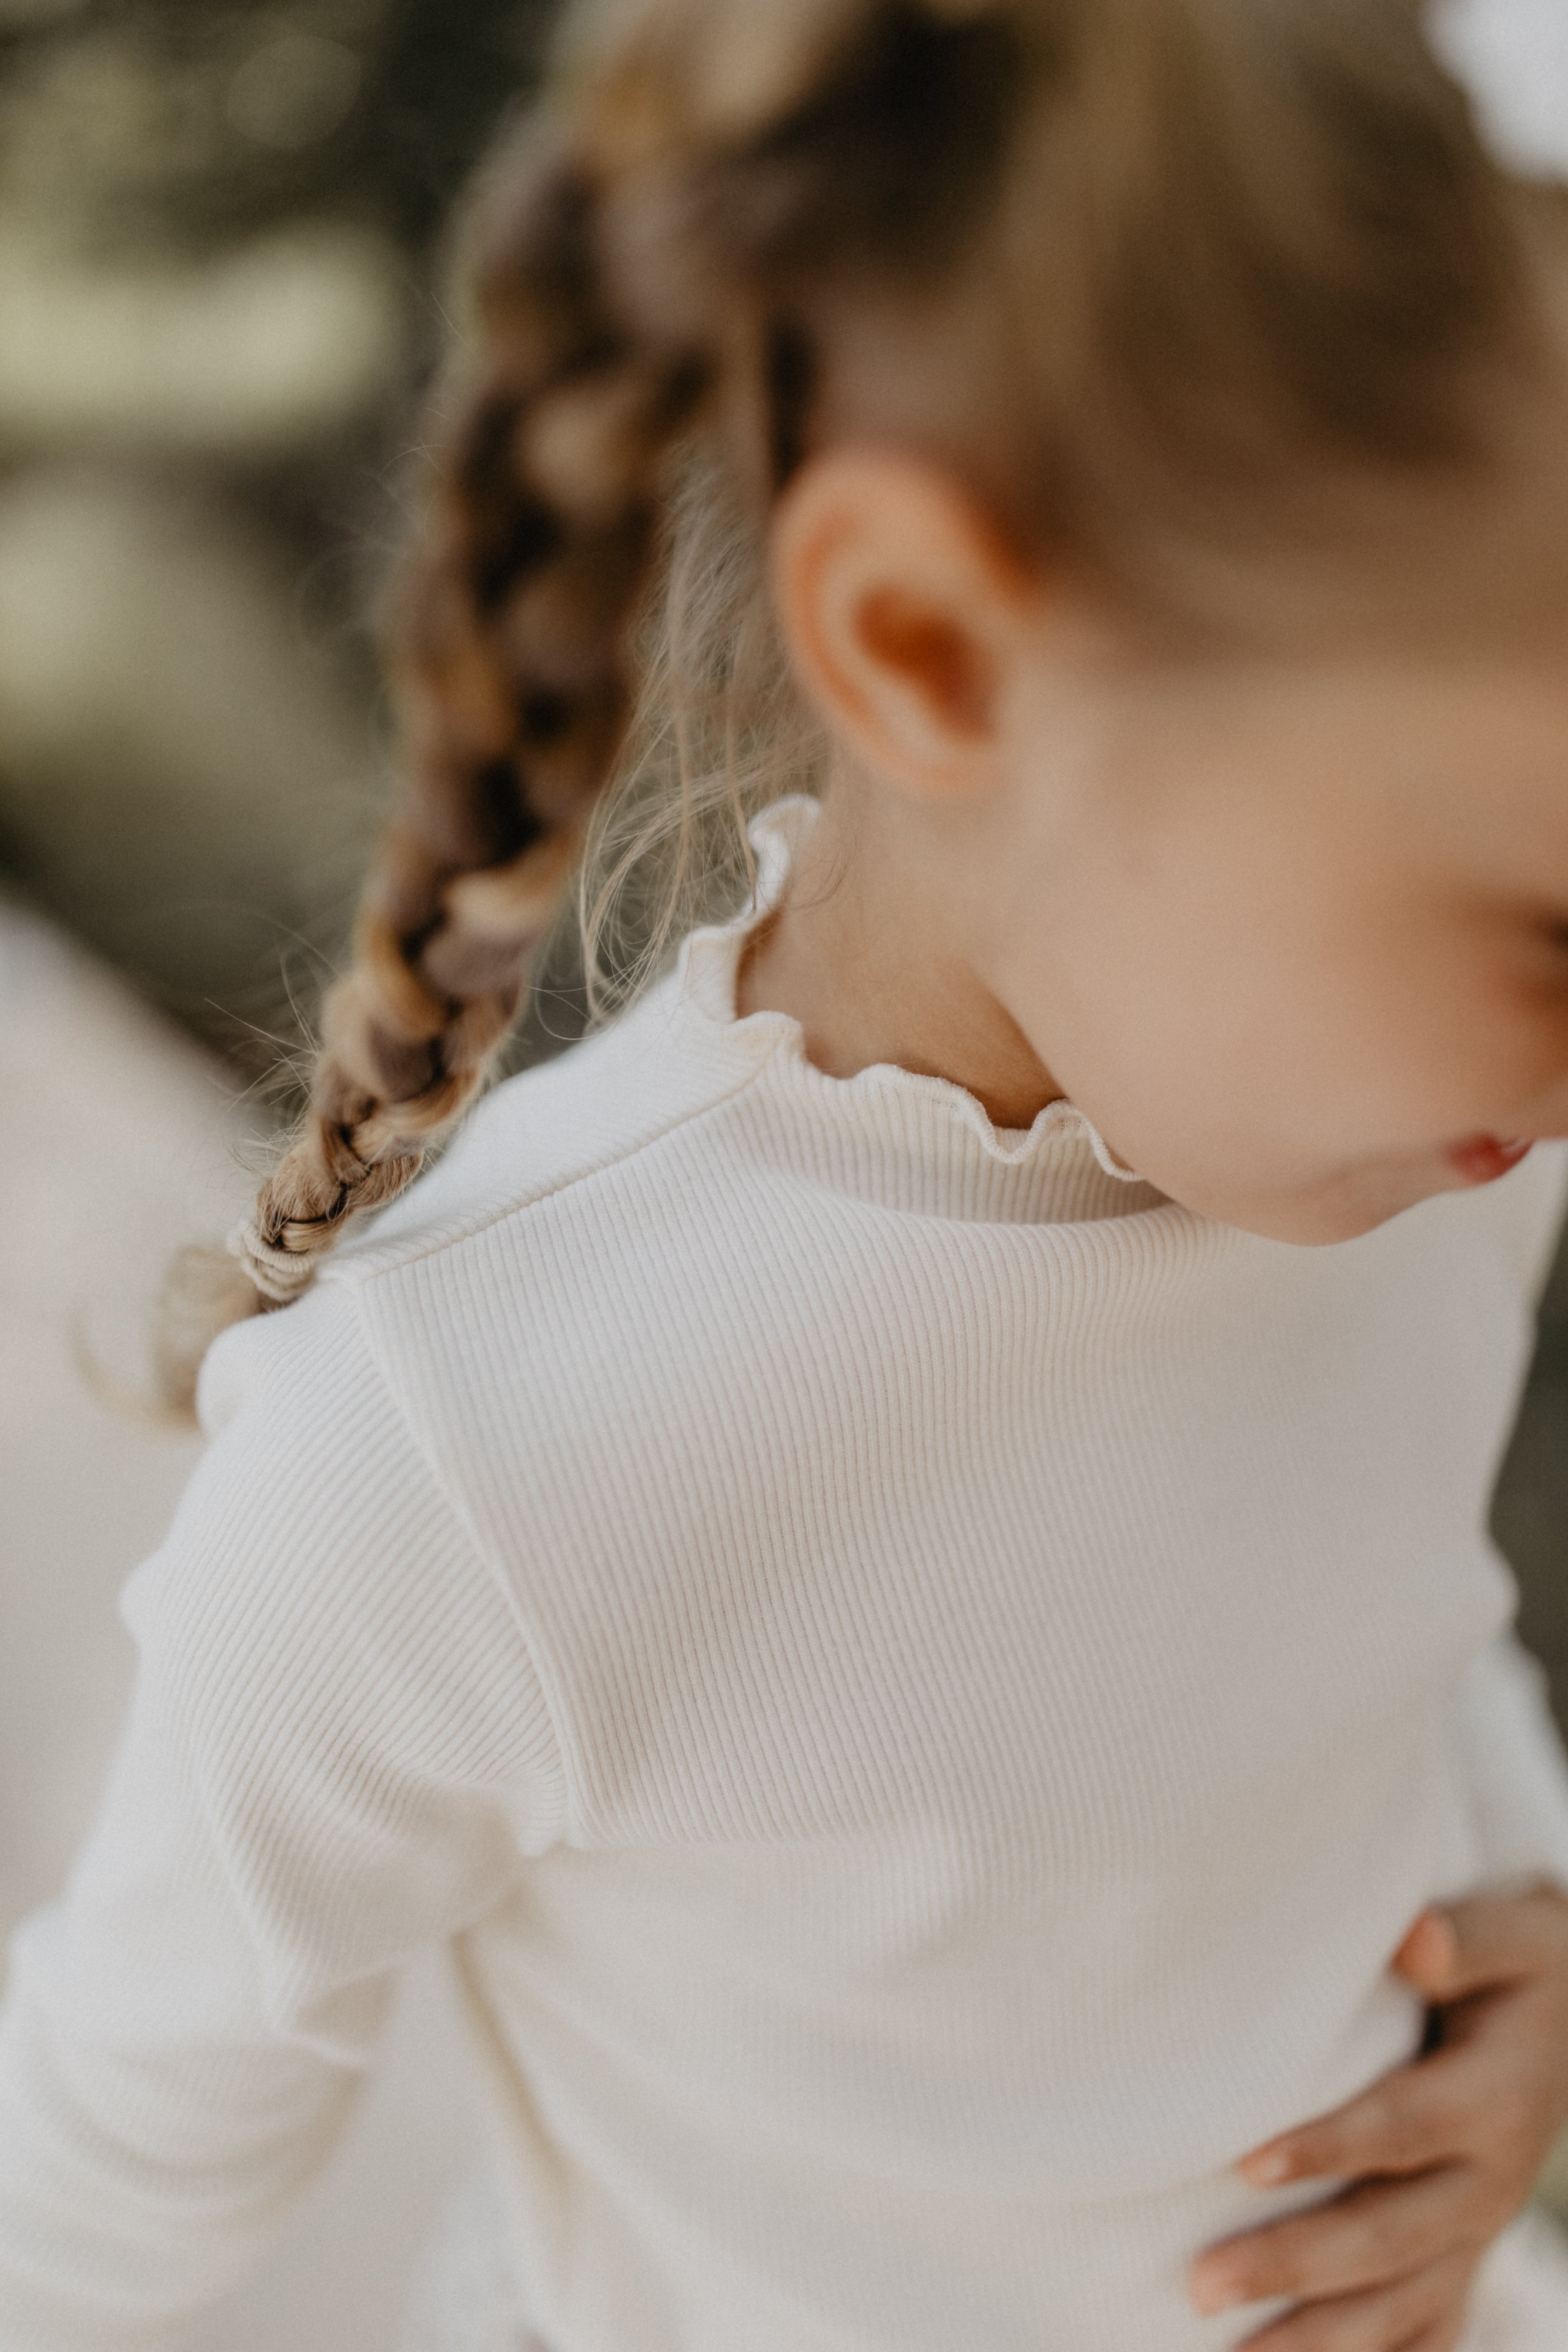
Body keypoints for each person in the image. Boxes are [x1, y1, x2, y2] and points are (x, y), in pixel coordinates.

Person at [8, 0, 1568, 2345]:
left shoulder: (1435, 1139)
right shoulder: (481, 1447)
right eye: (1545, 925)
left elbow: (1386, 1608)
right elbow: (123, 2138)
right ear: (934, 645)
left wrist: (1522, 1932)